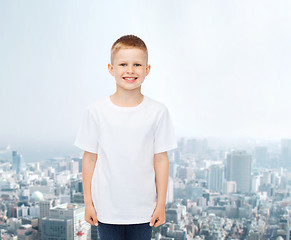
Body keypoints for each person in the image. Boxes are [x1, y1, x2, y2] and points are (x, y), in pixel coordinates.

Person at [74, 34, 177, 240]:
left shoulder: (158, 112)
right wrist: (88, 203)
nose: (130, 70)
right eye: (123, 64)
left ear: (147, 70)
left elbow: (161, 159)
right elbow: (89, 158)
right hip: (106, 209)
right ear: (111, 69)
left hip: (143, 210)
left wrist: (161, 205)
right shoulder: (96, 111)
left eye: (137, 64)